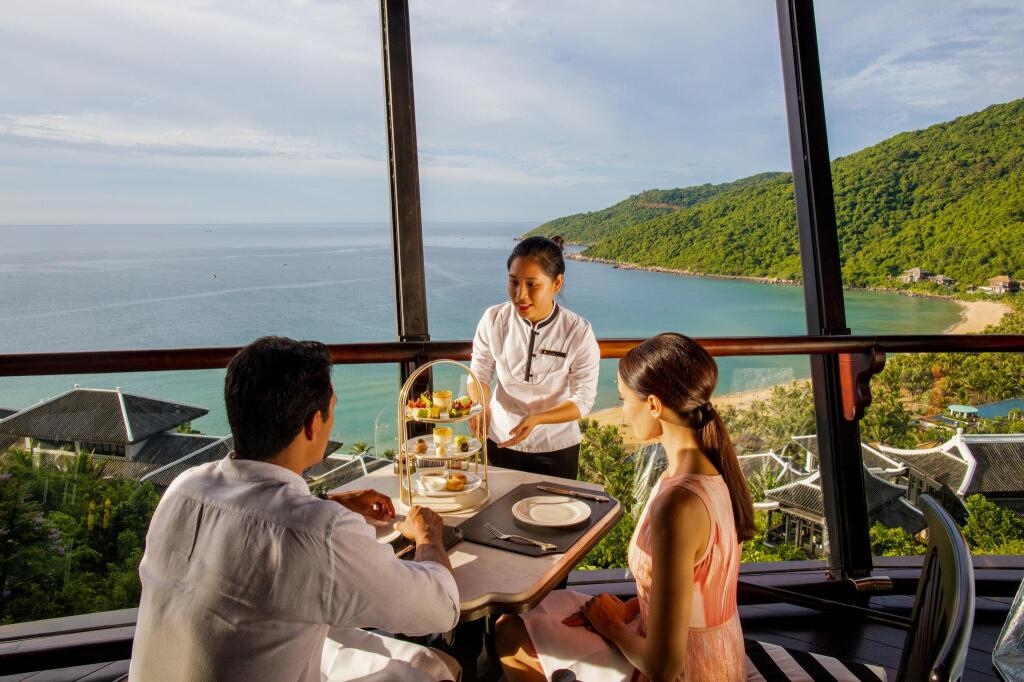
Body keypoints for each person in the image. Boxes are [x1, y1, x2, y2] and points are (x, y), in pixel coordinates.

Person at [129, 336, 461, 682]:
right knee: (434, 668)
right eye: (332, 409)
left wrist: (327, 502)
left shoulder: (183, 489)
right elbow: (442, 608)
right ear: (313, 424)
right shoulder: (320, 533)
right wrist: (428, 535)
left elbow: (253, 525)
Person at [494, 333, 755, 682]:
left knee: (511, 633)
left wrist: (611, 626)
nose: (623, 410)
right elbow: (691, 591)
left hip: (691, 670)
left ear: (654, 405)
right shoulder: (706, 472)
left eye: (623, 399)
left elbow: (663, 667)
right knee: (538, 614)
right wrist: (630, 608)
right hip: (718, 656)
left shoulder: (678, 505)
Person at [469, 235, 600, 480]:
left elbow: (583, 400)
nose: (520, 295)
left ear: (557, 283)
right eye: (513, 282)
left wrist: (538, 418)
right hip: (500, 441)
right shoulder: (494, 319)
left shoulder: (578, 332)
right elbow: (479, 374)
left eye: (532, 284)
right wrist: (480, 405)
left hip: (556, 448)